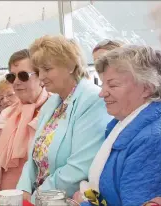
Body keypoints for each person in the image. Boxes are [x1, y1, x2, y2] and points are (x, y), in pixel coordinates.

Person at [16, 35, 112, 202]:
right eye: (38, 71)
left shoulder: (92, 100)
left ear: (70, 65)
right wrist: (23, 190)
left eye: (47, 69)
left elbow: (79, 167)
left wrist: (36, 198)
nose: (41, 77)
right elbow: (33, 158)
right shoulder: (52, 102)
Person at [73, 45, 161, 206]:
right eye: (102, 85)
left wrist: (84, 203)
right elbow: (110, 198)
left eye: (112, 85)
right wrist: (87, 197)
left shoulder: (151, 139)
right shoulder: (121, 124)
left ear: (147, 88)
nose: (102, 93)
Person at [0, 49, 50, 191]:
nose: (16, 82)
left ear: (41, 78)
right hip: (4, 195)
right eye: (11, 77)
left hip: (37, 195)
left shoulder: (55, 110)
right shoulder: (6, 114)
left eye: (23, 76)